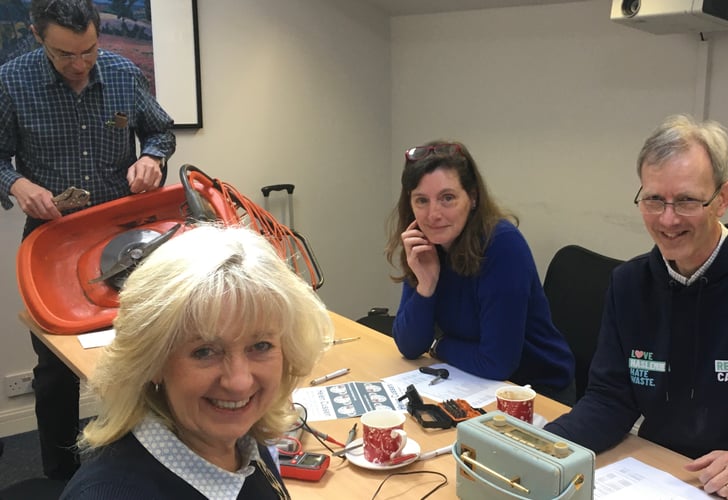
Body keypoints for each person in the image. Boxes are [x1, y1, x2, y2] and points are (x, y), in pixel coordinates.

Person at [0, 0, 176, 480]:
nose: (79, 66)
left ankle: (146, 466)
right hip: (53, 241)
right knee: (57, 366)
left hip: (124, 234)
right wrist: (17, 184)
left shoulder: (121, 72)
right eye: (64, 55)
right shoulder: (11, 81)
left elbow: (159, 130)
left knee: (142, 351)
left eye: (89, 52)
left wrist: (153, 159)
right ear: (39, 37)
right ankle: (60, 473)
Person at [544, 114, 728, 499]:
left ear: (722, 199)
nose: (668, 219)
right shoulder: (628, 285)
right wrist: (539, 450)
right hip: (660, 476)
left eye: (687, 200)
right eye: (654, 199)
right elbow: (609, 400)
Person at [61, 224, 333, 499]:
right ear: (153, 361)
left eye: (260, 346)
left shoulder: (242, 443)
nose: (239, 382)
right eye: (205, 352)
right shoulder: (110, 494)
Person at [385, 140, 575, 405]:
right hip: (469, 380)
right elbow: (409, 345)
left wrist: (439, 344)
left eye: (447, 198)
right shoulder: (423, 243)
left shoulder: (502, 245)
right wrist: (426, 284)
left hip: (535, 391)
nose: (433, 214)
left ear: (473, 197)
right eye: (421, 201)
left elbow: (497, 362)